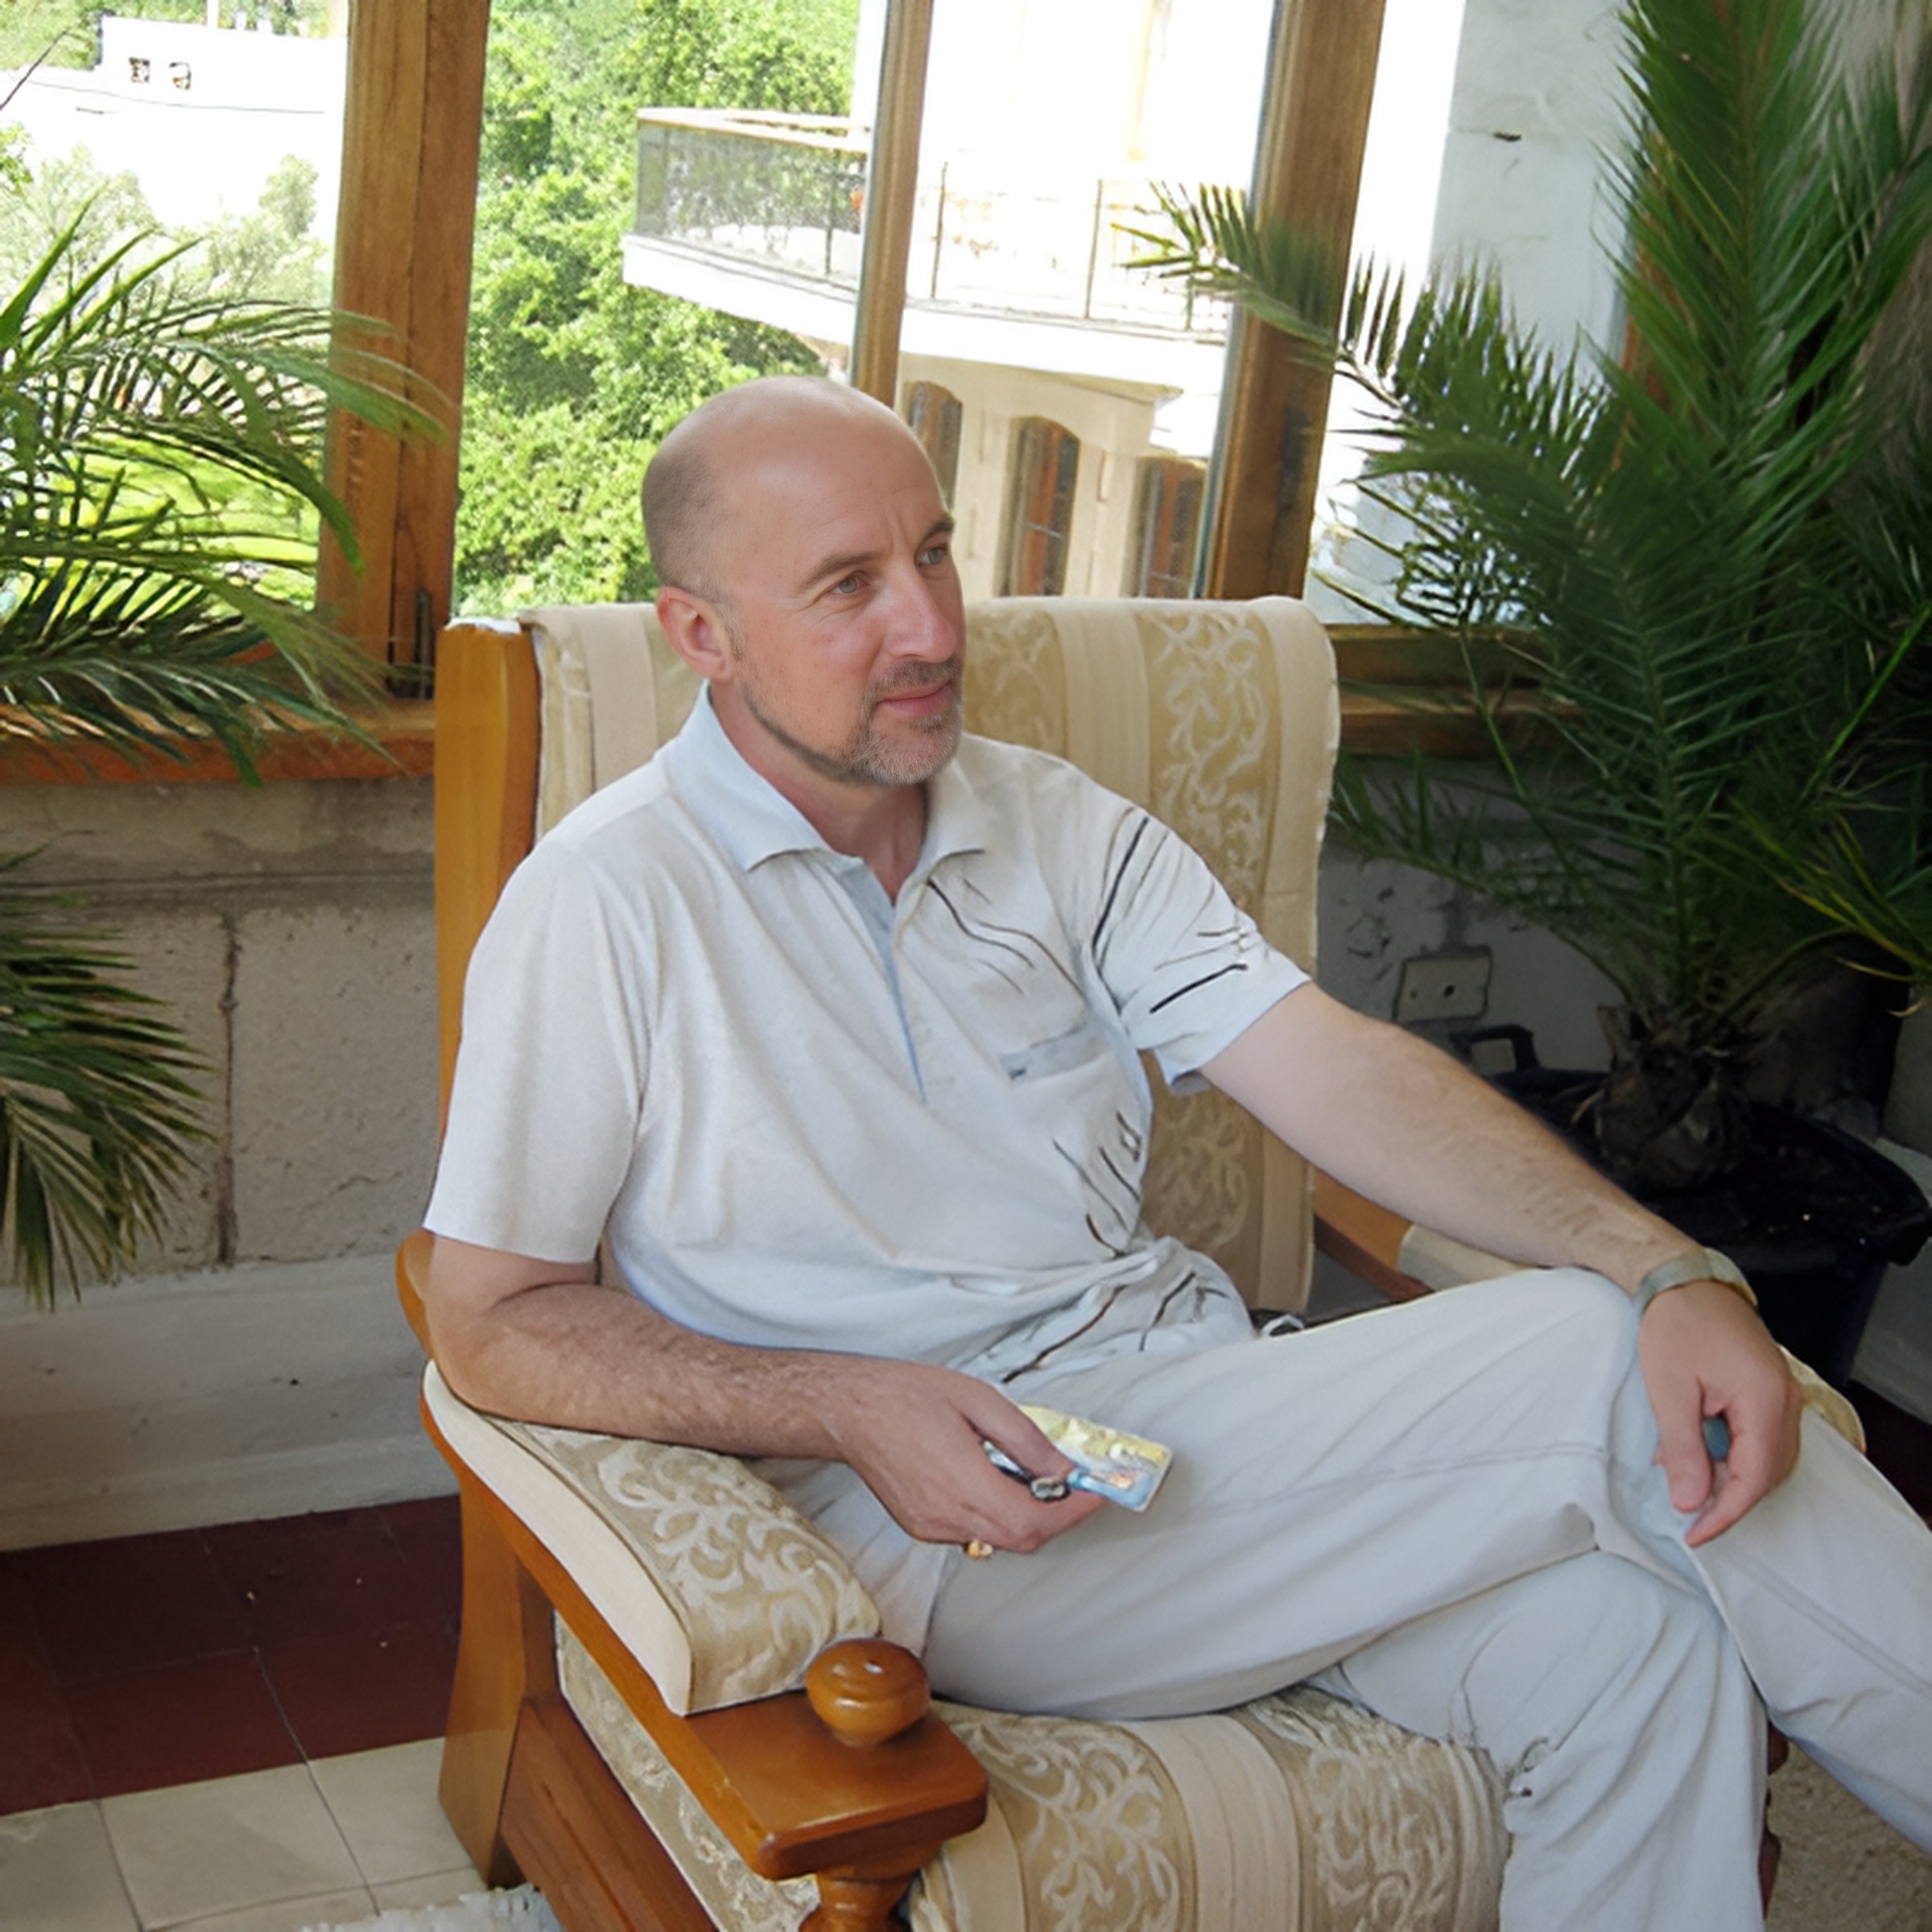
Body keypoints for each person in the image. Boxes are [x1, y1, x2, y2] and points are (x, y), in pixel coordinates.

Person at [424, 374, 1932, 1931]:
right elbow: (488, 1316)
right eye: (848, 588)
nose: (930, 627)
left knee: (1641, 1651)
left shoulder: (1056, 824)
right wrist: (843, 1400)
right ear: (703, 634)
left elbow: (1334, 1072)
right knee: (1599, 1357)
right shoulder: (604, 903)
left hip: (1201, 1419)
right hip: (949, 1524)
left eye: (933, 554)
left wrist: (1663, 1259)